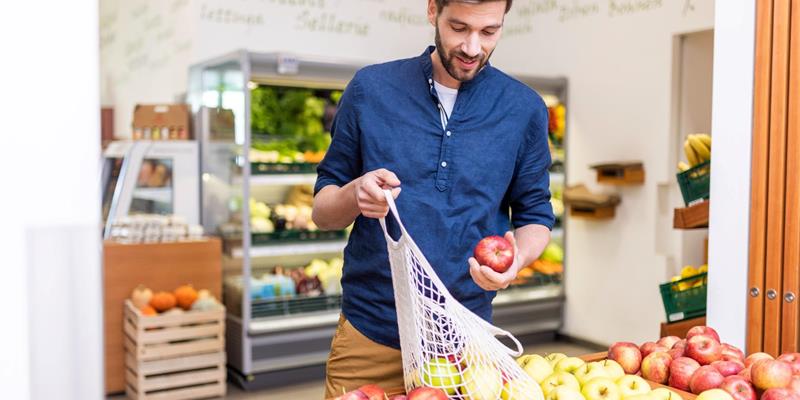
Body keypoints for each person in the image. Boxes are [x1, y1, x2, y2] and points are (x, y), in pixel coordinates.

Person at [312, 0, 554, 396]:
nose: (473, 47)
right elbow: (323, 212)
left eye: (489, 32)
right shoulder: (370, 89)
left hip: (466, 343)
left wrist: (517, 262)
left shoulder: (524, 108)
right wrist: (356, 193)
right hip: (370, 332)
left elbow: (536, 215)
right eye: (459, 28)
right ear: (432, 11)